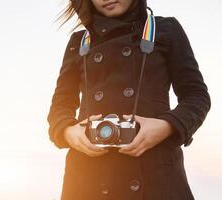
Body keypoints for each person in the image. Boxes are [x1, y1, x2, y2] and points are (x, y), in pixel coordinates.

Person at [47, 0, 211, 199]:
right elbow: (61, 103)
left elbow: (196, 95)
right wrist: (68, 132)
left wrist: (166, 126)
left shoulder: (166, 30)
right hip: (87, 177)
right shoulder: (79, 41)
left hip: (154, 174)